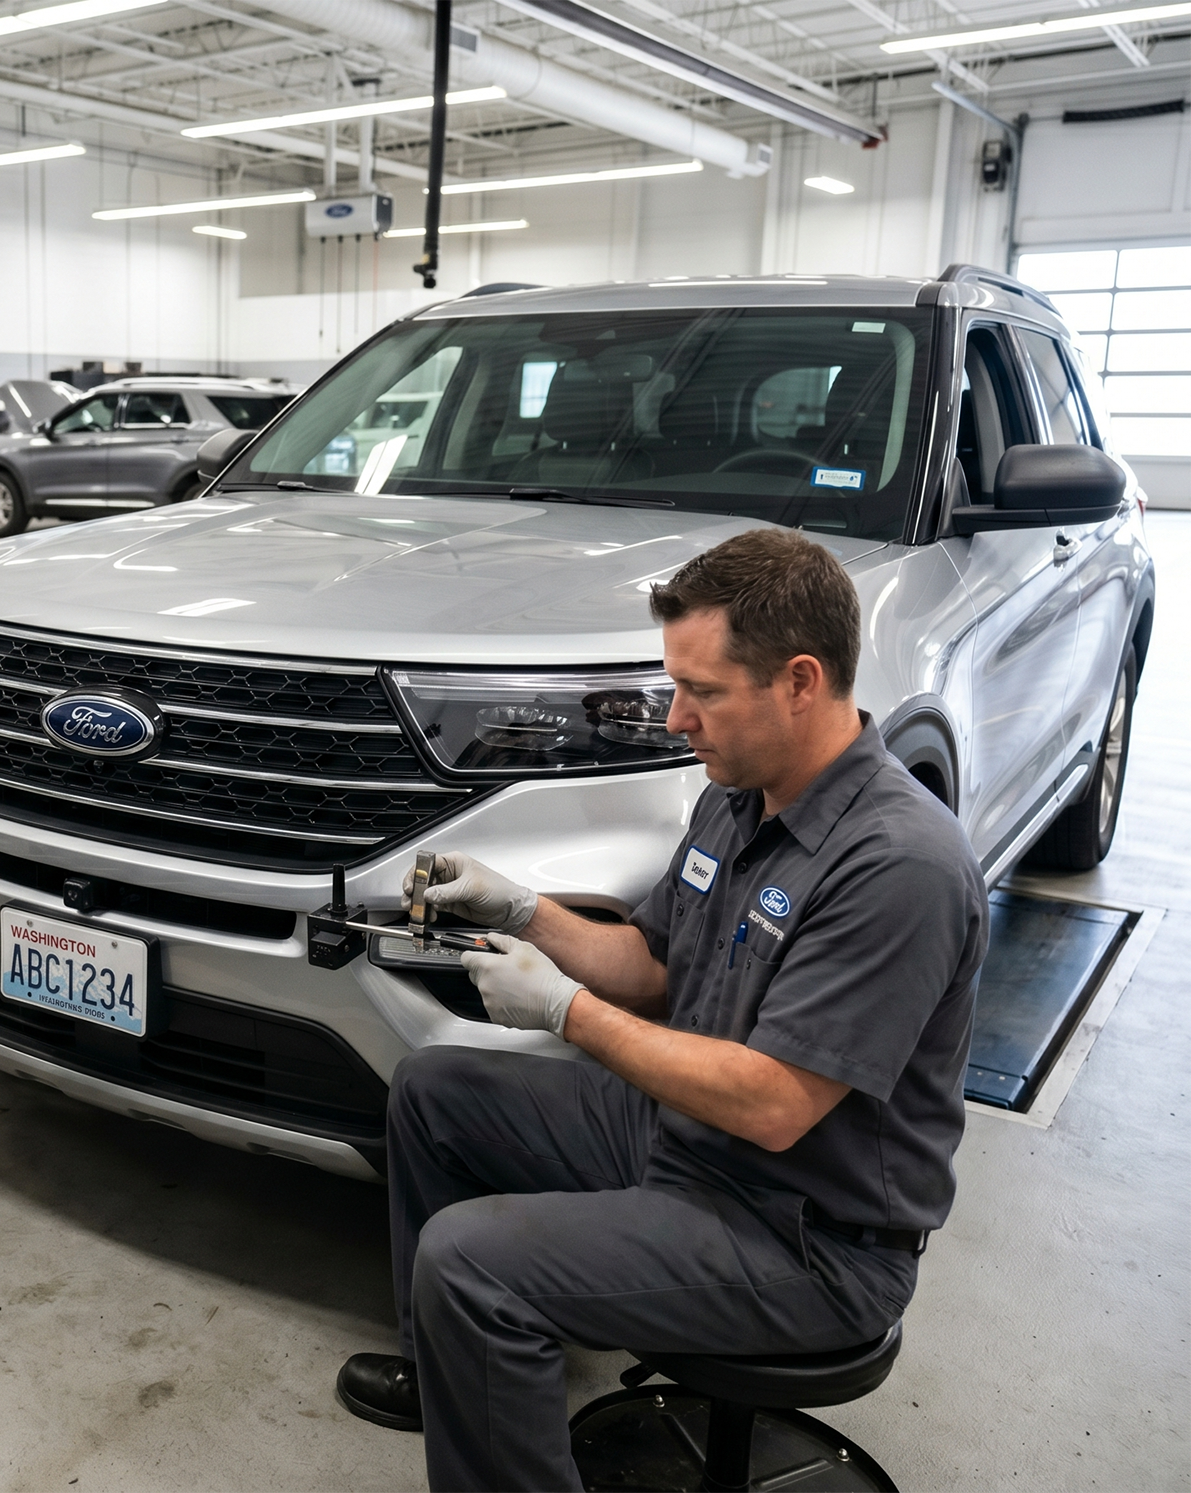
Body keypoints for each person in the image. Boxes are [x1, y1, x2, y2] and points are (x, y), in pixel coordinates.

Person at [334, 528, 988, 1492]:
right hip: (692, 1141)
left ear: (801, 681)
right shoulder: (738, 796)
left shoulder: (898, 865)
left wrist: (564, 1014)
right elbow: (652, 965)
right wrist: (521, 909)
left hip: (807, 1233)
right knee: (435, 1088)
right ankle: (457, 1384)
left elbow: (773, 1104)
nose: (678, 716)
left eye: (705, 691)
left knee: (469, 1261)